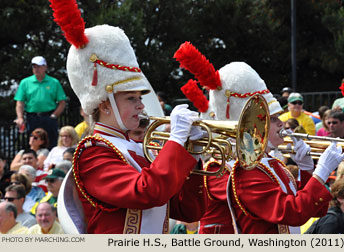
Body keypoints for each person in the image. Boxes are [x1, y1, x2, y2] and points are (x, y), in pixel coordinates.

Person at [49, 0, 206, 234]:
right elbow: (147, 192)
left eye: (139, 97)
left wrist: (191, 156)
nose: (141, 105)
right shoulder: (92, 152)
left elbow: (189, 211)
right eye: (131, 98)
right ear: (105, 104)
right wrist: (176, 140)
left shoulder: (139, 148)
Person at [172, 42, 283, 233]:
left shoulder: (261, 160)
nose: (280, 124)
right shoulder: (218, 168)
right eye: (270, 119)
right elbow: (276, 204)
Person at [13, 56, 67, 149]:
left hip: (49, 117)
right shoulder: (25, 82)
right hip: (32, 118)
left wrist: (54, 115)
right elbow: (20, 102)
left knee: (51, 143)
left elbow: (62, 102)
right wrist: (20, 118)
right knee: (33, 144)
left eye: (39, 66)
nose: (36, 69)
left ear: (45, 67)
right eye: (34, 66)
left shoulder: (54, 82)